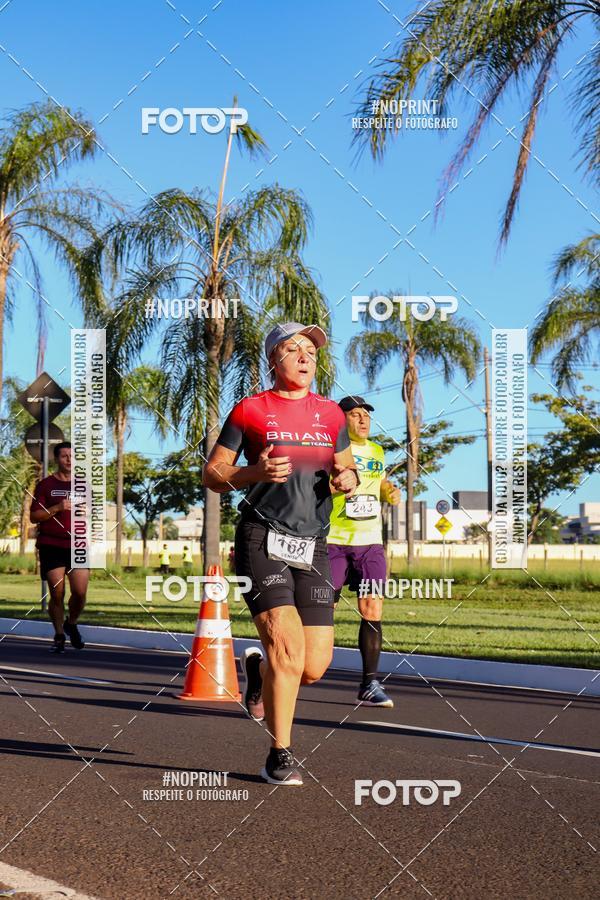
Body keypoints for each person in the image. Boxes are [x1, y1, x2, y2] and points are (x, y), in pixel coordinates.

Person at [204, 322, 359, 786]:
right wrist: (255, 471)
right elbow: (213, 474)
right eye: (293, 348)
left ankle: (258, 669)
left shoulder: (332, 415)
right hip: (261, 540)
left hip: (312, 544)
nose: (305, 355)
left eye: (310, 349)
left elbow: (346, 469)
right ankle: (280, 753)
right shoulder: (251, 410)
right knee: (288, 651)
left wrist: (346, 481)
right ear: (274, 359)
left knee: (312, 666)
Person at [327, 396, 401, 706]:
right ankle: (288, 671)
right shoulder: (330, 451)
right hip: (333, 540)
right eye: (355, 415)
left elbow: (380, 483)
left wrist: (388, 491)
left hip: (370, 543)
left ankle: (370, 683)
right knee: (320, 609)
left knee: (372, 609)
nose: (363, 421)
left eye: (366, 416)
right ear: (341, 421)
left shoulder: (377, 451)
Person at [30, 442, 88, 653]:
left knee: (80, 593)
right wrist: (57, 507)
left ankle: (71, 624)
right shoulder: (45, 485)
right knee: (57, 593)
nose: (69, 460)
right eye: (64, 456)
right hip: (52, 545)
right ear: (57, 459)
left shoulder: (84, 485)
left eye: (73, 456)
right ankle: (59, 634)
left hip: (78, 544)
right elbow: (34, 516)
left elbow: (91, 514)